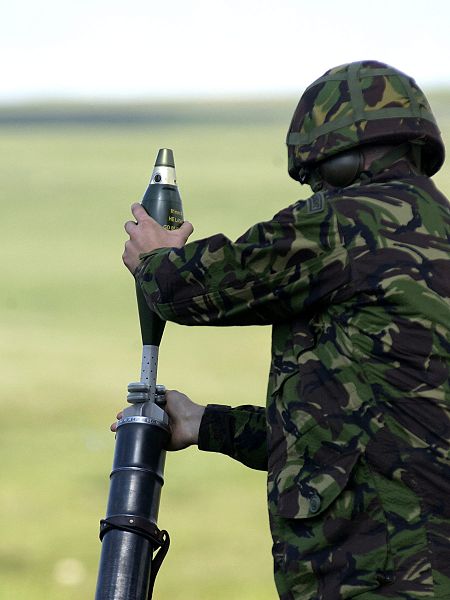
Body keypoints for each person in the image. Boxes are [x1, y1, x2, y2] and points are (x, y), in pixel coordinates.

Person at [118, 61, 450, 599]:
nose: (313, 191)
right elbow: (353, 433)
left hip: (380, 574)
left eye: (318, 172)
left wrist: (156, 259)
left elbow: (193, 289)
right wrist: (206, 424)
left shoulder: (348, 225)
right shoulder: (434, 235)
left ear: (345, 158)